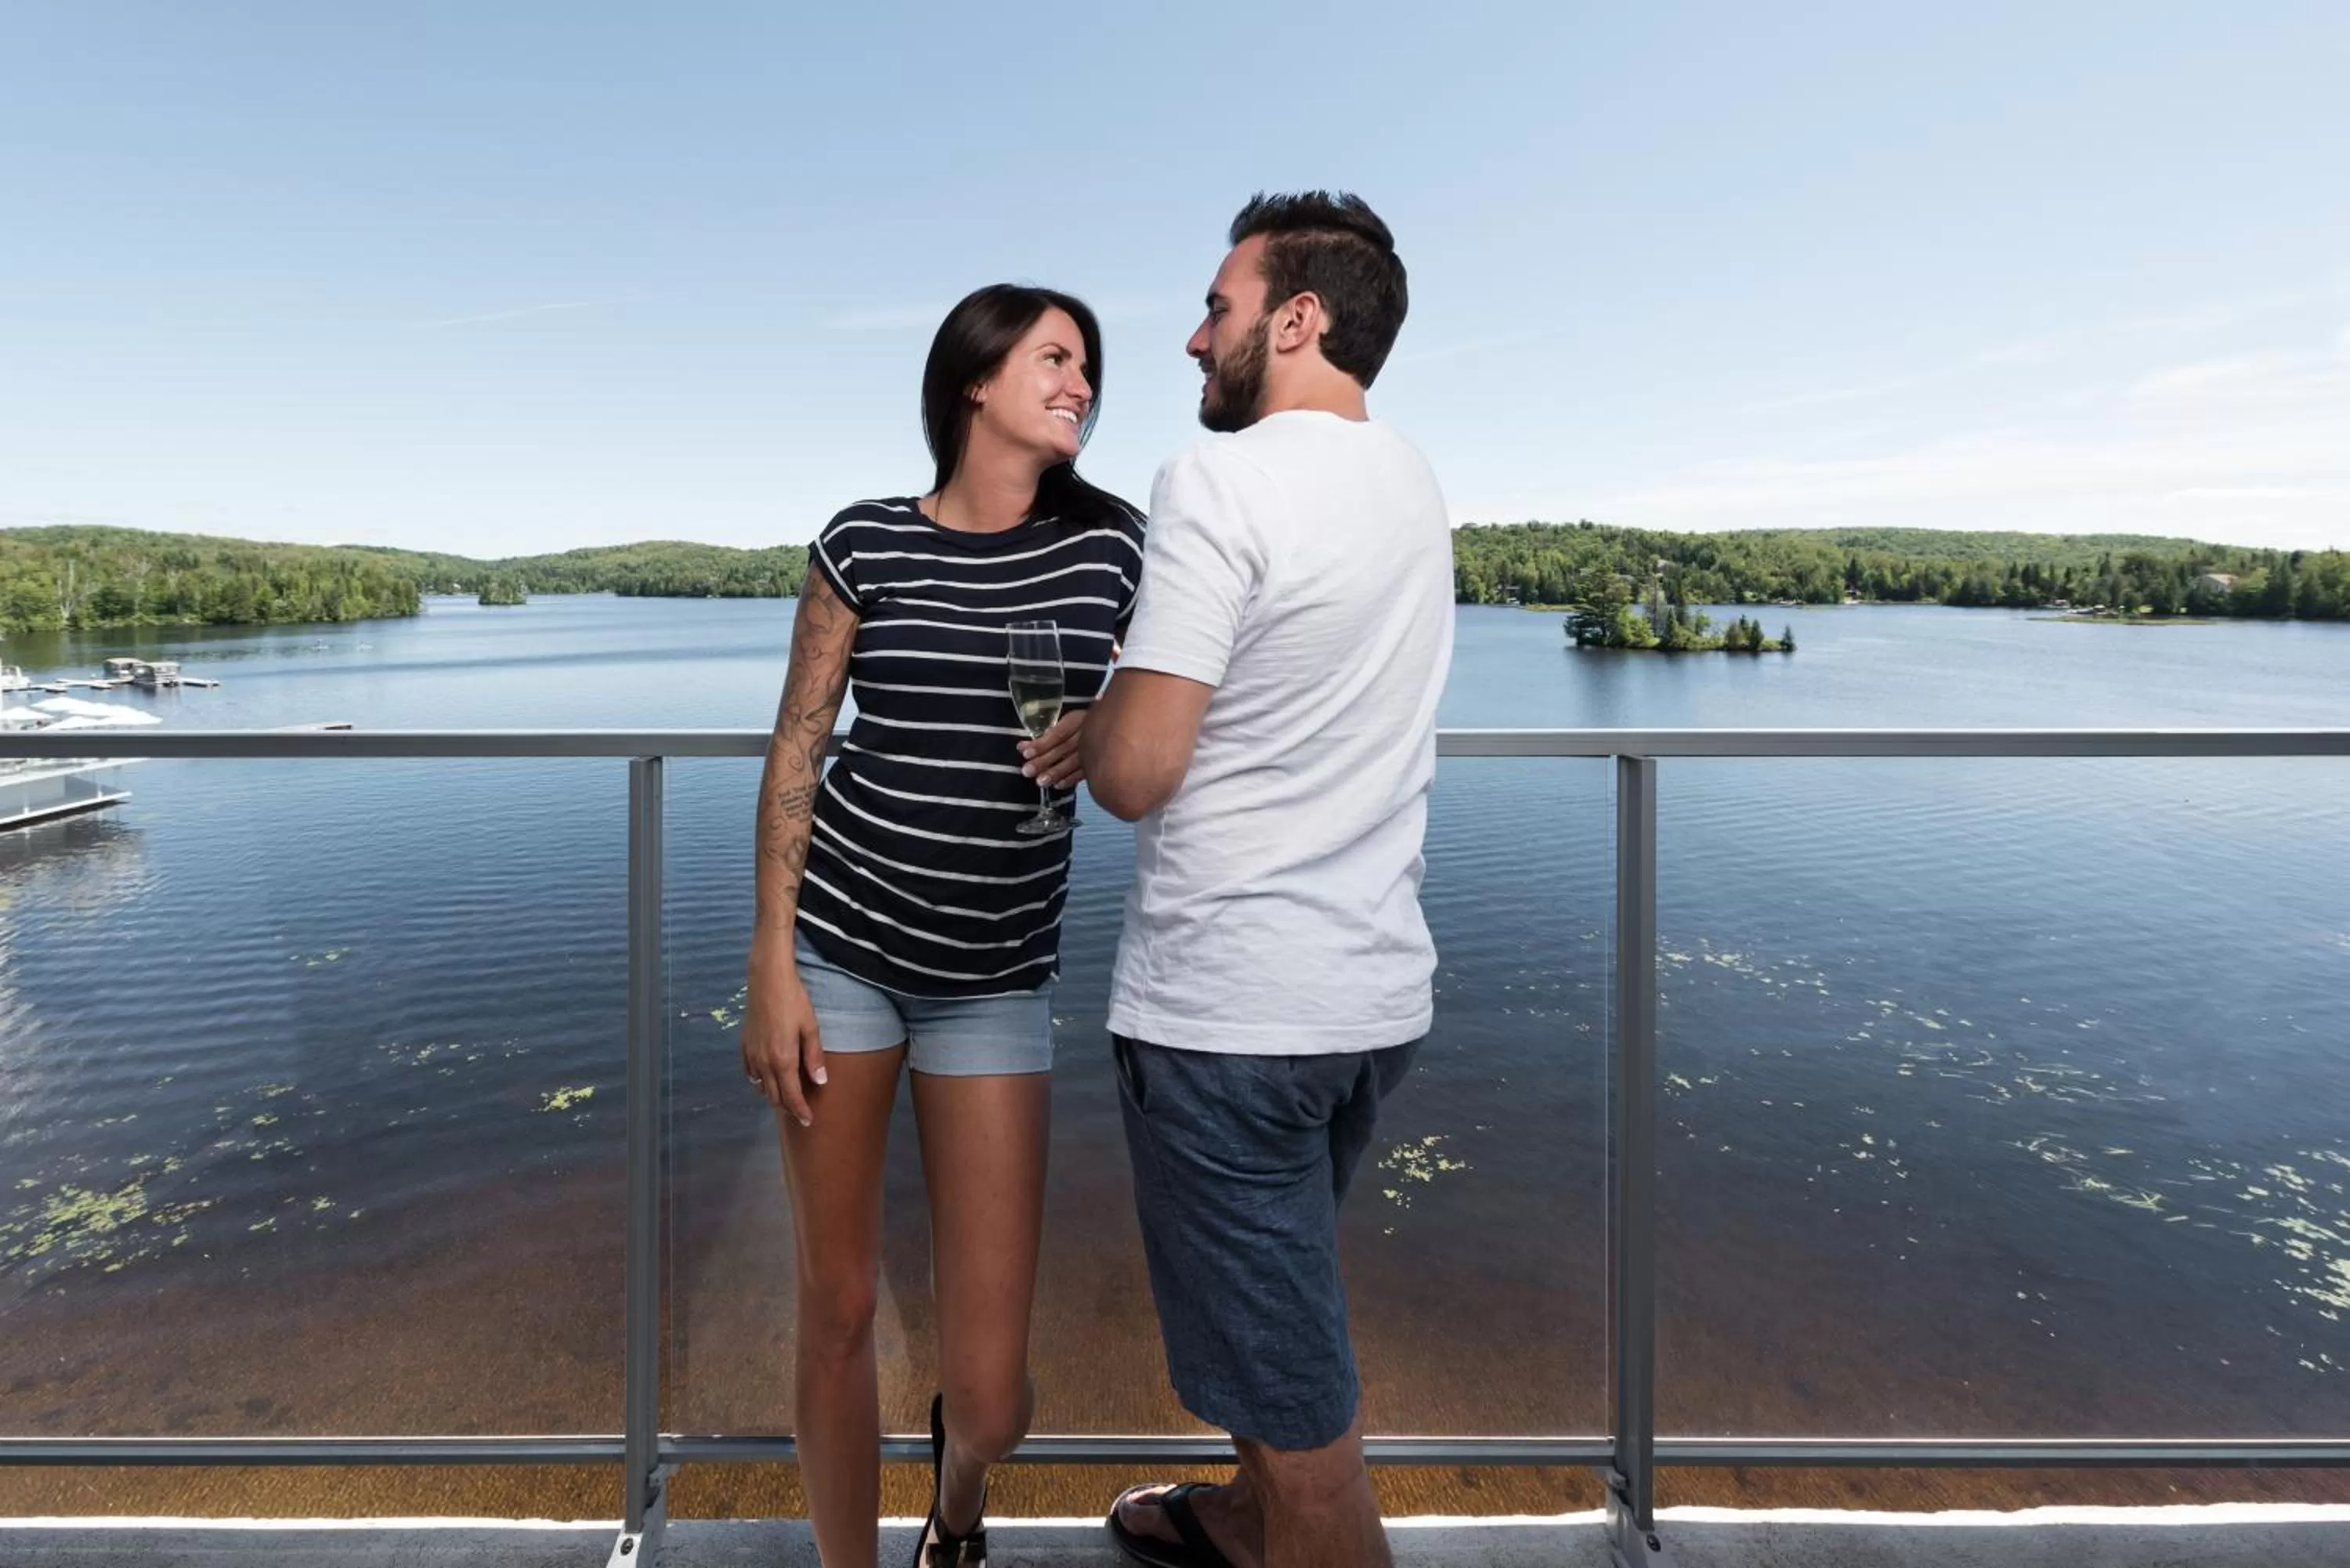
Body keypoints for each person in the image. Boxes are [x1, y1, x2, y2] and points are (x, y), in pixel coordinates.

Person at [741, 283, 1145, 1568]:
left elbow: (1191, 705)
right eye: (1056, 357)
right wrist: (770, 959)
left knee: (992, 1395)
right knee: (840, 1301)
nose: (1081, 381)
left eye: (1090, 366)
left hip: (995, 982)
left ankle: (959, 1490)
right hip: (843, 953)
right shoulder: (863, 543)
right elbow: (800, 744)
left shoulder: (1116, 550)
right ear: (976, 377)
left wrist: (1107, 725)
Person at [1083, 192, 1452, 1568]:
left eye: (1218, 308)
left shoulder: (1219, 481)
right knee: (1270, 1320)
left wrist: (1105, 714)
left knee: (1313, 1441)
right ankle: (1242, 1519)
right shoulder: (1411, 481)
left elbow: (1138, 770)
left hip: (1232, 1015)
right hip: (1369, 1005)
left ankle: (1282, 1514)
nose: (1191, 338)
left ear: (1296, 319)